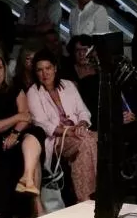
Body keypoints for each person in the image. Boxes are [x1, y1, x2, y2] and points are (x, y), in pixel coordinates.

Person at [0, 50, 46, 218]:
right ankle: (36, 204)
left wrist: (15, 132)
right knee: (23, 155)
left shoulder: (15, 89)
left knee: (36, 133)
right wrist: (17, 117)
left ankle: (27, 180)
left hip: (16, 135)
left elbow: (27, 118)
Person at [26, 50, 98, 202]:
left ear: (55, 68)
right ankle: (86, 197)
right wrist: (69, 131)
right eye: (40, 70)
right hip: (57, 138)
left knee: (98, 140)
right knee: (86, 142)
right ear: (35, 72)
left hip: (79, 132)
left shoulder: (68, 85)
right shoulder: (33, 92)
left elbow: (83, 110)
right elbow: (41, 123)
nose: (45, 73)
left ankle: (93, 194)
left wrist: (82, 124)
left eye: (48, 68)